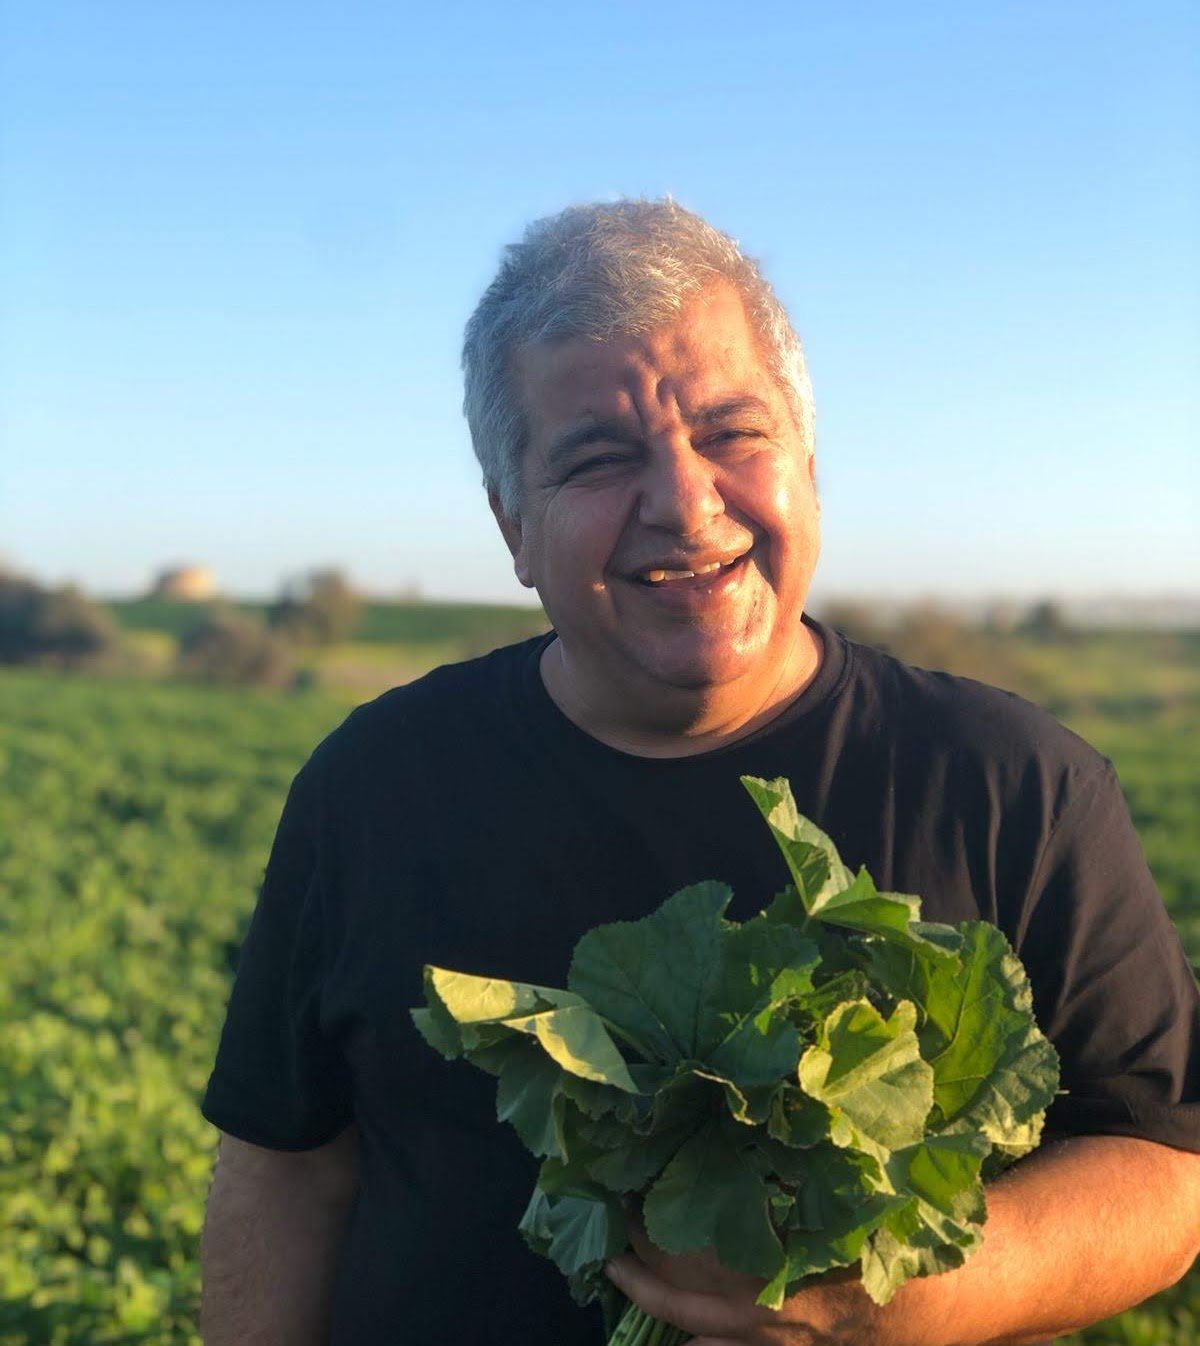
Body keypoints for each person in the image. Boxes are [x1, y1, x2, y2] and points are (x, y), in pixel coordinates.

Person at [199, 200, 1200, 1346]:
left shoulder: (1020, 785)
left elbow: (1166, 1163)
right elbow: (285, 1165)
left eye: (733, 433)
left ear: (809, 468)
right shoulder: (372, 784)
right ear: (511, 523)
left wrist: (913, 1297)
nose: (683, 501)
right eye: (599, 457)